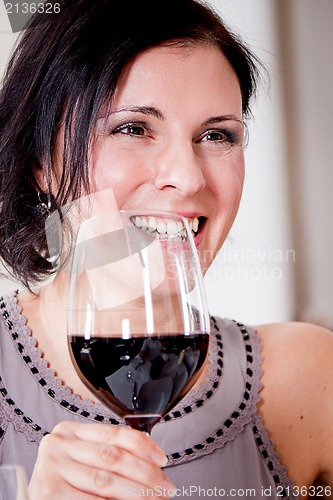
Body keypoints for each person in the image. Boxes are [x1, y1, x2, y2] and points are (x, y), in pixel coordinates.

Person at [0, 0, 332, 498]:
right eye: (133, 128)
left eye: (216, 135)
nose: (188, 176)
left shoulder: (309, 379)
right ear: (40, 163)